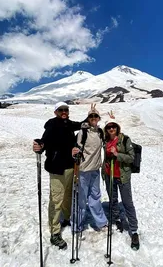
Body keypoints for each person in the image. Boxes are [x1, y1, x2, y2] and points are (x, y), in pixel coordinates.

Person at [33, 101, 83, 250]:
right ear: (55, 112)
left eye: (66, 109)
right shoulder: (52, 124)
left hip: (70, 167)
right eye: (61, 110)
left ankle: (66, 218)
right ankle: (55, 232)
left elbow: (80, 125)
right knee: (56, 199)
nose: (64, 111)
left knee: (68, 196)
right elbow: (44, 141)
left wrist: (90, 118)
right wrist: (40, 146)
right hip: (57, 168)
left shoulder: (68, 124)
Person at [102, 111, 140, 250]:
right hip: (109, 175)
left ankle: (134, 230)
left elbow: (131, 157)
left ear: (118, 127)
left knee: (127, 203)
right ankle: (117, 219)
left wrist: (117, 154)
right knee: (112, 199)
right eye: (109, 127)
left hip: (122, 176)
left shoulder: (125, 139)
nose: (111, 129)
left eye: (114, 126)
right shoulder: (105, 140)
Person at [71, 104, 108, 235]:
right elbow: (76, 147)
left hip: (95, 170)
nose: (93, 118)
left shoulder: (100, 132)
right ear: (88, 118)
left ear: (98, 118)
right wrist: (74, 153)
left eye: (95, 116)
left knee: (95, 197)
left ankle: (101, 222)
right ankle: (76, 225)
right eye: (91, 116)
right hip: (83, 169)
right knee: (81, 199)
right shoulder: (83, 132)